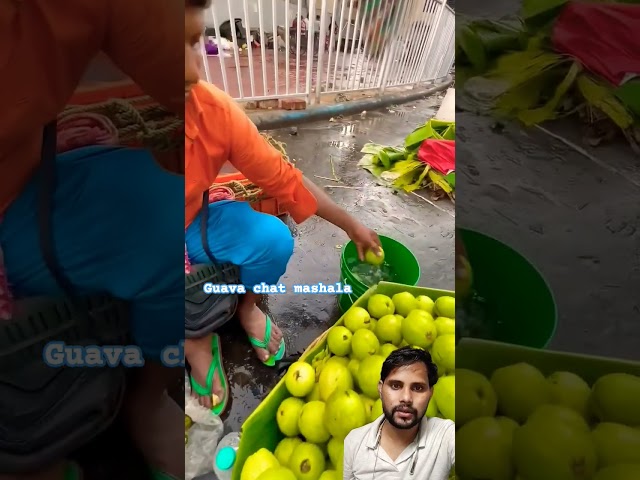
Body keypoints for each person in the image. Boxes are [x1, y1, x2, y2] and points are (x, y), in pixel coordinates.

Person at [0, 1, 185, 478]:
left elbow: (192, 89)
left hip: (19, 188)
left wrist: (321, 206)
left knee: (165, 218)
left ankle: (145, 401)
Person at [184, 0, 382, 410]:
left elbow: (285, 179)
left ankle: (247, 308)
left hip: (189, 225)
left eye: (193, 41)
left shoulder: (213, 110)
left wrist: (350, 224)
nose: (191, 70)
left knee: (272, 238)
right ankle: (195, 340)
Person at [343, 348, 455, 480]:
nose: (406, 398)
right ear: (380, 389)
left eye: (418, 388)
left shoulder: (445, 435)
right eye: (396, 386)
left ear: (430, 394)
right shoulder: (354, 441)